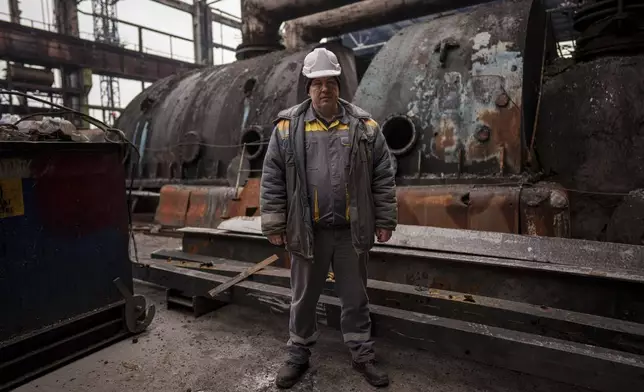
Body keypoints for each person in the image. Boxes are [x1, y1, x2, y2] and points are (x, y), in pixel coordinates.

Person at [260, 47, 398, 389]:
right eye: (318, 83)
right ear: (308, 87)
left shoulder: (364, 126)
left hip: (351, 232)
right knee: (303, 297)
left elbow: (383, 175)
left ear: (339, 86)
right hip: (309, 232)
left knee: (356, 297)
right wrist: (275, 224)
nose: (325, 89)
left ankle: (362, 353)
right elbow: (272, 177)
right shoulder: (287, 128)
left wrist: (385, 219)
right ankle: (299, 351)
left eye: (331, 82)